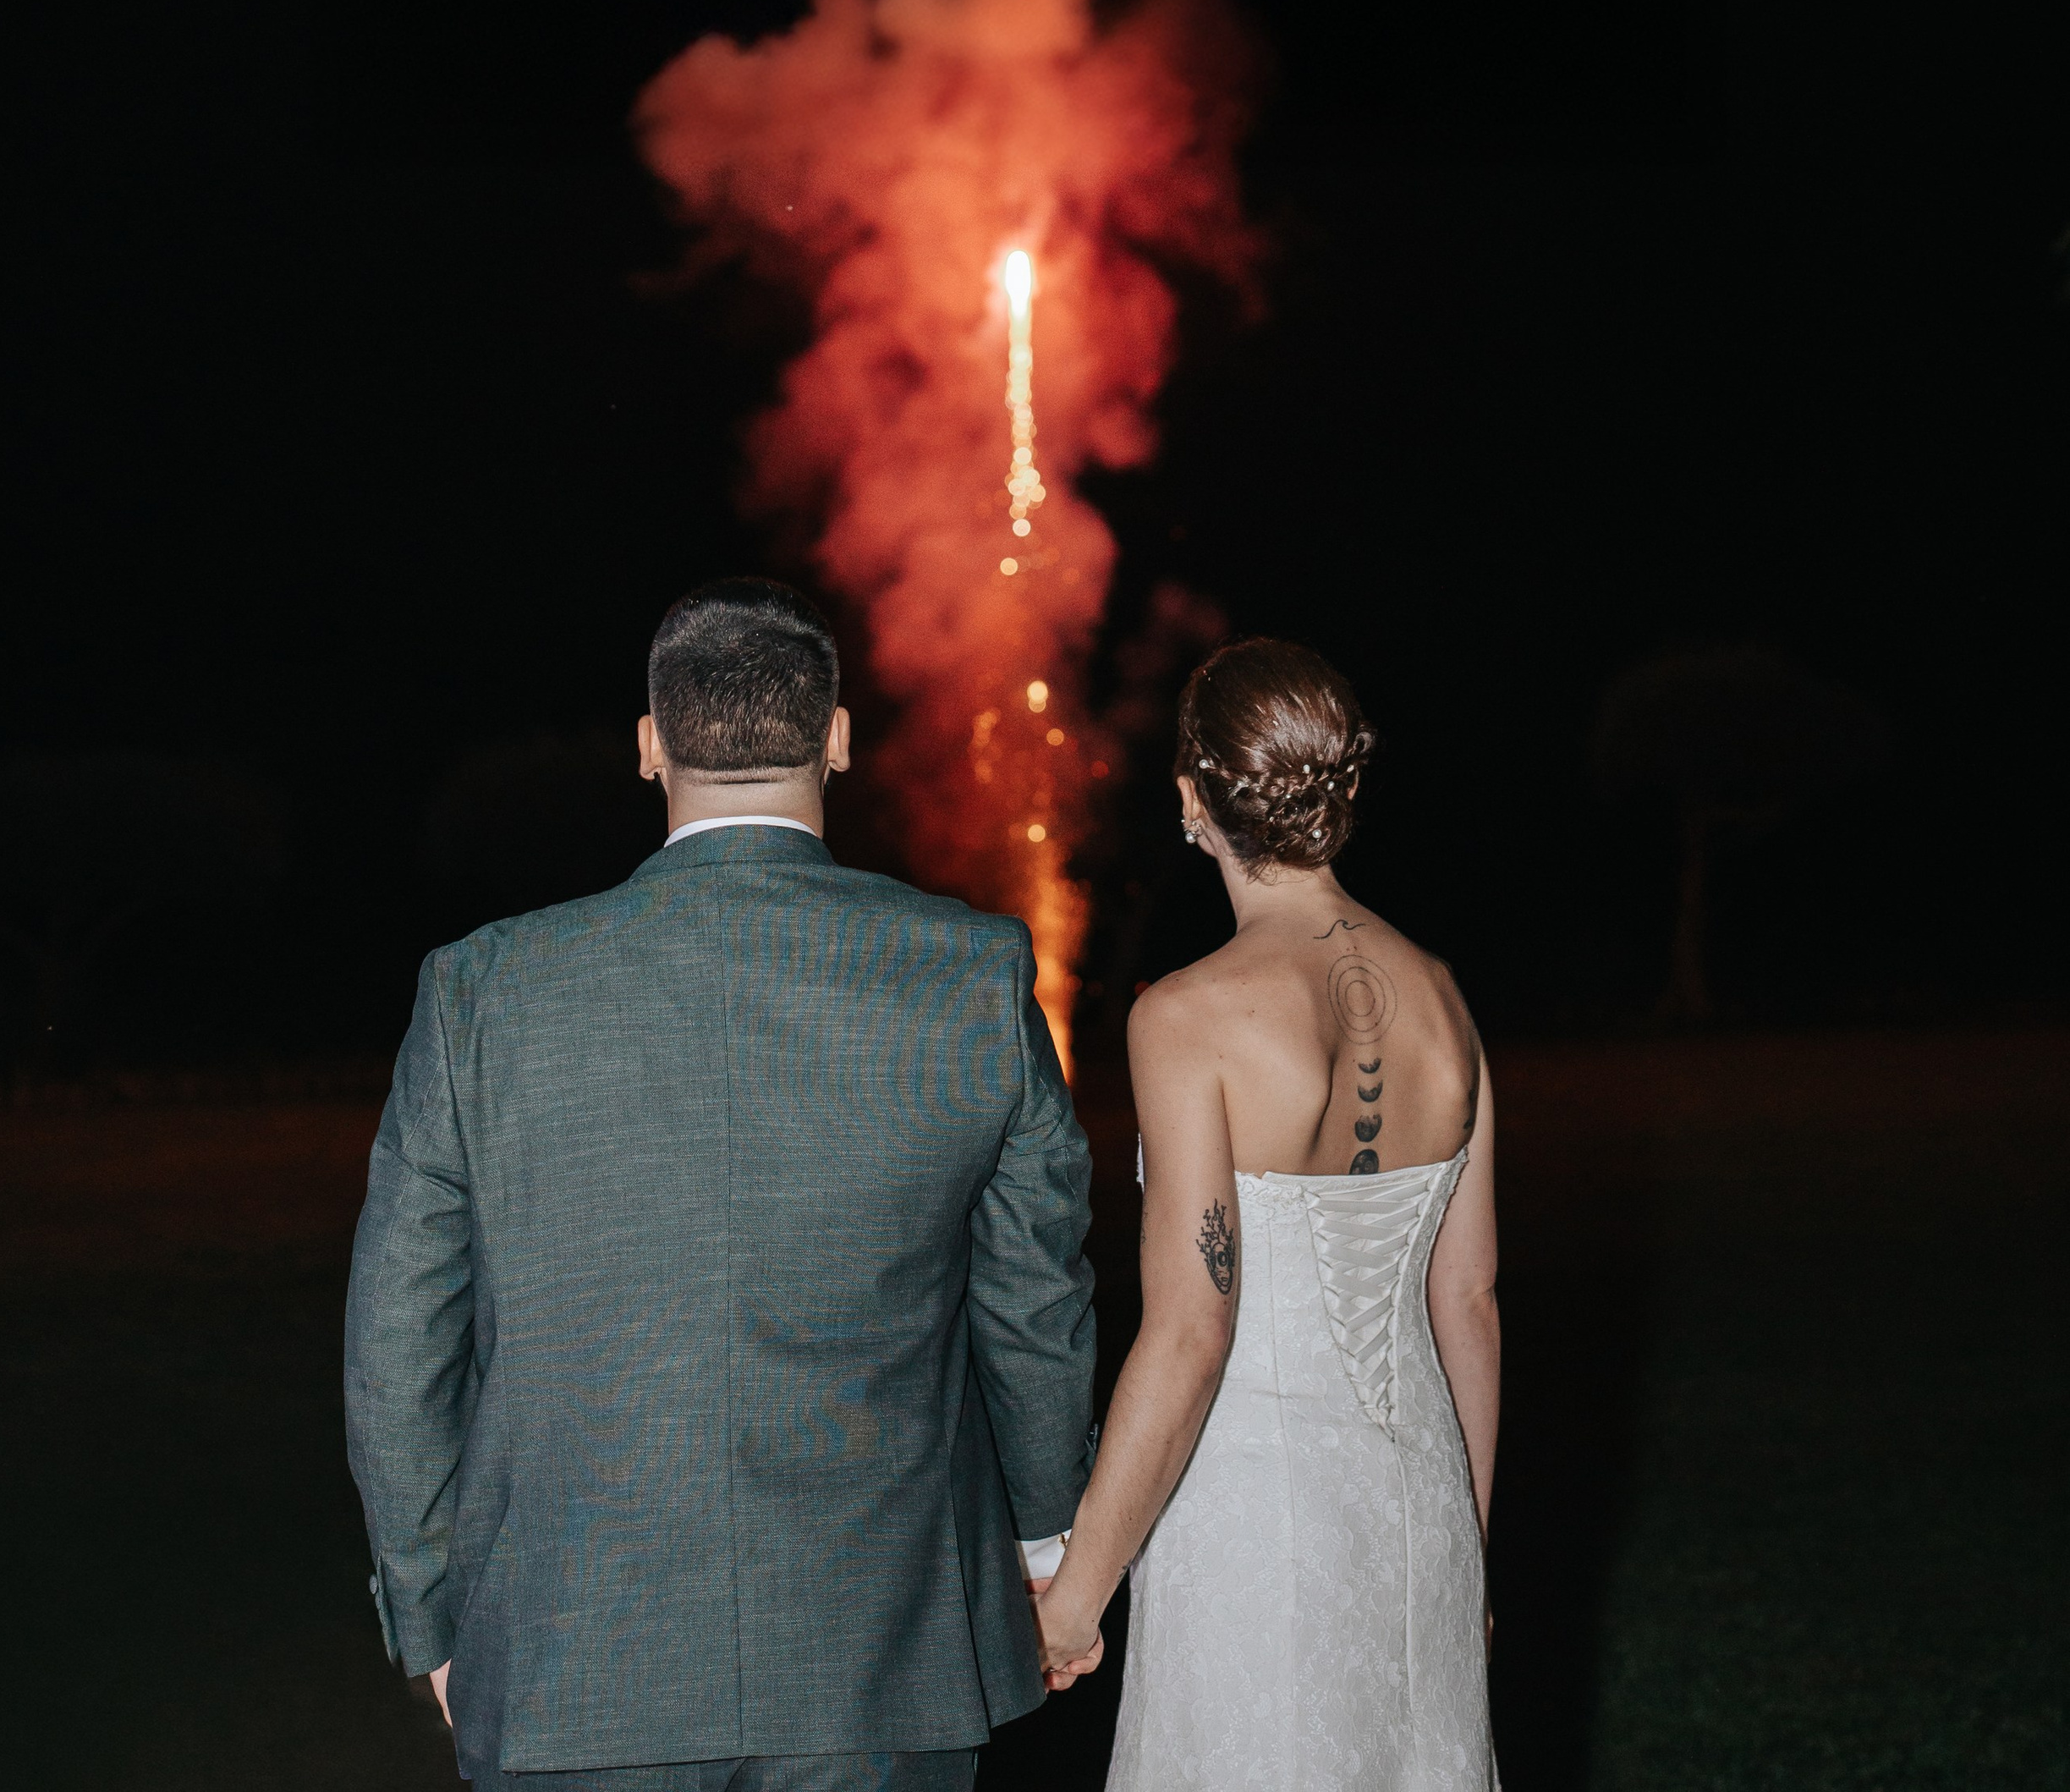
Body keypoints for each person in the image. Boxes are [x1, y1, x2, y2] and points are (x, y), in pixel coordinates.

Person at [345, 576, 1099, 1792]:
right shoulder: (969, 974)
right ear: (838, 737)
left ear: (650, 747)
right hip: (881, 1660)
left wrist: (431, 1613)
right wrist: (1048, 1542)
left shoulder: (486, 991)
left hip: (566, 1656)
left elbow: (397, 1337)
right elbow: (1035, 1306)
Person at [1035, 636, 1500, 1790]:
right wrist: (1469, 1557)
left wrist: (1076, 1598)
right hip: (1427, 1510)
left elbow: (1194, 1331)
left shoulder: (1186, 1017)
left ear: (1194, 799)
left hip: (1256, 1519)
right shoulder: (1443, 996)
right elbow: (1471, 1300)